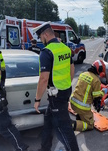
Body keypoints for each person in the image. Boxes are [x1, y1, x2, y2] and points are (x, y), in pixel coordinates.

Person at [33, 22, 79, 151]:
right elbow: (72, 69)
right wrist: (65, 84)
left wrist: (37, 100)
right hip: (65, 90)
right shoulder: (65, 48)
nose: (41, 41)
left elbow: (43, 79)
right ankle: (45, 148)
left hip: (56, 96)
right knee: (48, 121)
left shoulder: (46, 52)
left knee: (64, 129)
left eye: (40, 37)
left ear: (45, 34)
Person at [70, 60, 108, 131]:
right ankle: (72, 124)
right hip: (82, 107)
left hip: (73, 103)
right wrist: (103, 92)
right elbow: (96, 96)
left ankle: (79, 116)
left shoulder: (83, 74)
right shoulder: (96, 80)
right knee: (90, 125)